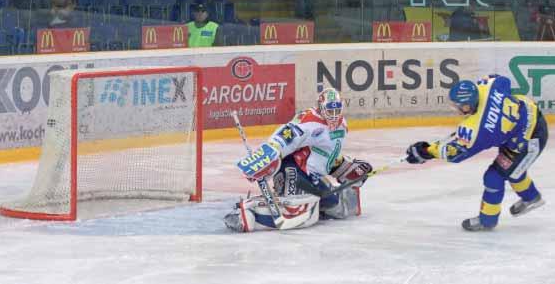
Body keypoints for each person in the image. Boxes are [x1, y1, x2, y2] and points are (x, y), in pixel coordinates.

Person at [405, 75, 548, 231]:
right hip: (526, 119)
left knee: (494, 177)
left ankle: (487, 221)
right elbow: (502, 80)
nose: (457, 109)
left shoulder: (479, 130)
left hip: (529, 141)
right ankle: (532, 197)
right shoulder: (489, 86)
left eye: (460, 106)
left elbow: (454, 154)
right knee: (513, 170)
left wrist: (426, 151)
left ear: (469, 104)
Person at [224, 88, 373, 232]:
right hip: (293, 168)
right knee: (294, 208)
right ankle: (247, 214)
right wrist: (267, 155)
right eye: (330, 110)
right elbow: (284, 137)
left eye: (337, 110)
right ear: (321, 107)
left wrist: (346, 168)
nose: (334, 115)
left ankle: (312, 205)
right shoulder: (307, 121)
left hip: (312, 176)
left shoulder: (342, 125)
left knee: (332, 203)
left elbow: (327, 155)